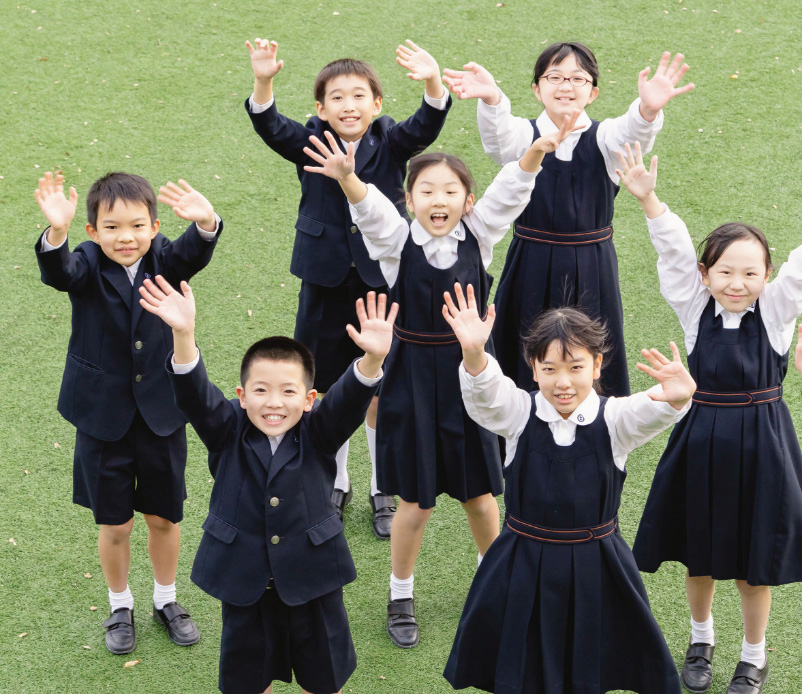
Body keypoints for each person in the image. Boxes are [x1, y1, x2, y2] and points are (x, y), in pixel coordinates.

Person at [304, 110, 580, 647]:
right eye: (426, 190)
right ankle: (400, 594)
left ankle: (493, 583)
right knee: (416, 503)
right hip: (410, 382)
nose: (439, 199)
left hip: (471, 379)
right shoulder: (395, 242)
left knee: (481, 498)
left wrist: (535, 151)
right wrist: (348, 178)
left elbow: (511, 191)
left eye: (451, 191)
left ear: (467, 202)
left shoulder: (481, 235)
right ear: (409, 201)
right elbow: (370, 210)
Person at [139, 278, 395, 694]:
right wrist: (183, 334)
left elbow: (348, 400)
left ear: (309, 399)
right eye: (261, 390)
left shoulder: (319, 431)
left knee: (324, 679)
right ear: (242, 395)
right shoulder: (227, 429)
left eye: (288, 391)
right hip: (246, 584)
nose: (274, 402)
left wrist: (372, 359)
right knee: (248, 681)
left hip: (314, 580)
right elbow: (195, 396)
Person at [244, 37, 452, 534]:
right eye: (336, 97)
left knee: (382, 390)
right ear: (321, 109)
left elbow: (427, 122)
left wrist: (432, 80)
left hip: (383, 282)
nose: (348, 105)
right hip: (324, 283)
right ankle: (335, 483)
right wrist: (264, 80)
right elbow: (270, 126)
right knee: (326, 386)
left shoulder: (391, 140)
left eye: (359, 96)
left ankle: (383, 487)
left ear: (376, 104)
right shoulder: (312, 141)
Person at [442, 285, 693, 694]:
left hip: (597, 564)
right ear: (533, 367)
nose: (563, 382)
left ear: (597, 366)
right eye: (550, 369)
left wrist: (677, 398)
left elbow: (651, 408)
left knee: (587, 667)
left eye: (576, 367)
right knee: (522, 669)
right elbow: (487, 395)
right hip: (523, 562)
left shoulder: (614, 419)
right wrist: (474, 353)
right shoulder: (519, 413)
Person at [618, 142, 802, 694]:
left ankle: (753, 657)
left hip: (764, 446)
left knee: (752, 565)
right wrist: (649, 201)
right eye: (725, 272)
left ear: (768, 276)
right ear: (705, 274)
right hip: (700, 441)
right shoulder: (696, 311)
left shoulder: (776, 312)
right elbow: (674, 252)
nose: (737, 283)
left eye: (750, 273)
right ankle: (701, 640)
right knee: (697, 556)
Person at [34, 171, 223, 654]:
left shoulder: (165, 258)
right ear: (93, 231)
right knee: (115, 524)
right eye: (112, 227)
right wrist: (57, 231)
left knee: (164, 518)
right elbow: (60, 273)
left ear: (155, 227)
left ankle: (166, 599)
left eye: (138, 226)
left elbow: (196, 250)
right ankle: (120, 605)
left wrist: (206, 222)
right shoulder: (86, 262)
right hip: (102, 418)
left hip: (162, 413)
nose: (126, 237)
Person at [442, 43, 693, 396]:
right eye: (555, 77)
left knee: (592, 356)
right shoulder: (523, 135)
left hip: (593, 265)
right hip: (530, 260)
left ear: (593, 93)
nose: (566, 86)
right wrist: (493, 99)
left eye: (578, 78)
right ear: (536, 89)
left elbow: (631, 134)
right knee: (522, 356)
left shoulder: (604, 137)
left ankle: (597, 424)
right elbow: (498, 142)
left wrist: (648, 110)